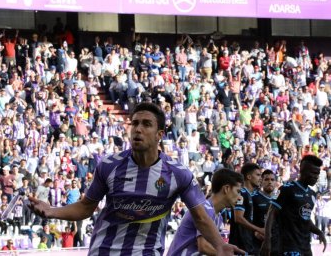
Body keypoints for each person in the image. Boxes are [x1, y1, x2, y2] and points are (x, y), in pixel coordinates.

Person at [29, 102, 243, 255]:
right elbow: (85, 207)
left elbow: (200, 216)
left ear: (160, 134)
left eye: (147, 124)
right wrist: (51, 211)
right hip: (105, 250)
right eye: (135, 123)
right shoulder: (109, 165)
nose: (138, 129)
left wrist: (220, 245)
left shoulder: (178, 173)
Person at [261, 155, 327, 256]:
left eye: (317, 174)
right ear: (302, 171)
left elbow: (305, 219)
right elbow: (271, 212)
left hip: (306, 247)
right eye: (313, 173)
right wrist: (267, 240)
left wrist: (319, 232)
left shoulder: (312, 194)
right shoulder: (285, 189)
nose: (316, 176)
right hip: (288, 246)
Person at [167, 168, 244, 255]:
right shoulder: (205, 209)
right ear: (226, 188)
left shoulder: (218, 218)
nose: (239, 197)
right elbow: (203, 246)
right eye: (238, 191)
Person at [229, 163, 264, 255]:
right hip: (239, 244)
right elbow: (238, 218)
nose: (260, 178)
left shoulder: (248, 194)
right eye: (258, 175)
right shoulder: (242, 193)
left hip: (247, 243)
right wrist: (259, 229)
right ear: (248, 176)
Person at [251, 169, 279, 255]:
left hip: (276, 243)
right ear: (261, 182)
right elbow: (246, 218)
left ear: (276, 182)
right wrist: (254, 232)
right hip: (257, 243)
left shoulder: (280, 198)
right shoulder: (253, 197)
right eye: (266, 179)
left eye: (272, 180)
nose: (270, 182)